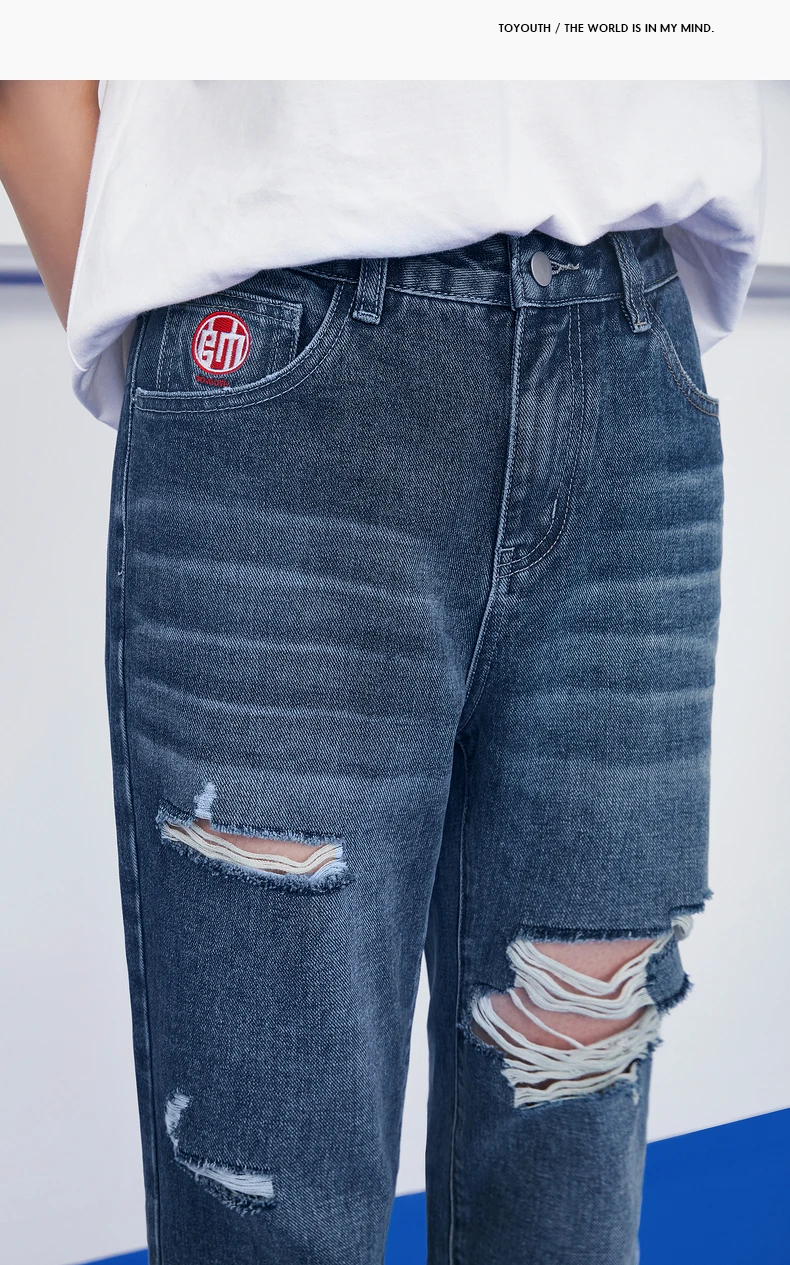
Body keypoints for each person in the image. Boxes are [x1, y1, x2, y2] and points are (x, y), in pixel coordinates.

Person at [0, 80, 764, 1265]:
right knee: (269, 1203)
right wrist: (170, 359)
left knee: (568, 1197)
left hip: (629, 364)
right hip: (285, 380)